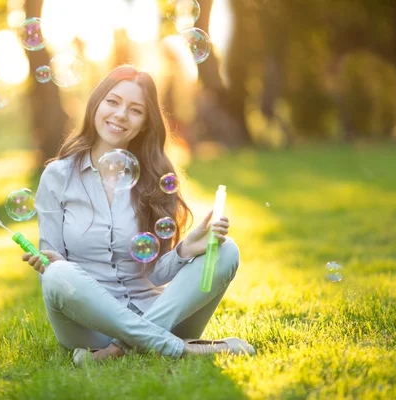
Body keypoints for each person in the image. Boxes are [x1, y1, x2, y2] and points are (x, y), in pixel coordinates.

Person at [21, 65, 255, 365]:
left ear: (145, 123)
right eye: (113, 102)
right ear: (96, 104)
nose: (120, 115)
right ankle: (181, 348)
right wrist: (49, 264)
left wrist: (187, 249)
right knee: (57, 274)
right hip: (89, 325)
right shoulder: (58, 176)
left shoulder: (155, 178)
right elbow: (52, 266)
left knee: (226, 251)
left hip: (156, 313)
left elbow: (156, 272)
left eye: (135, 110)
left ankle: (116, 351)